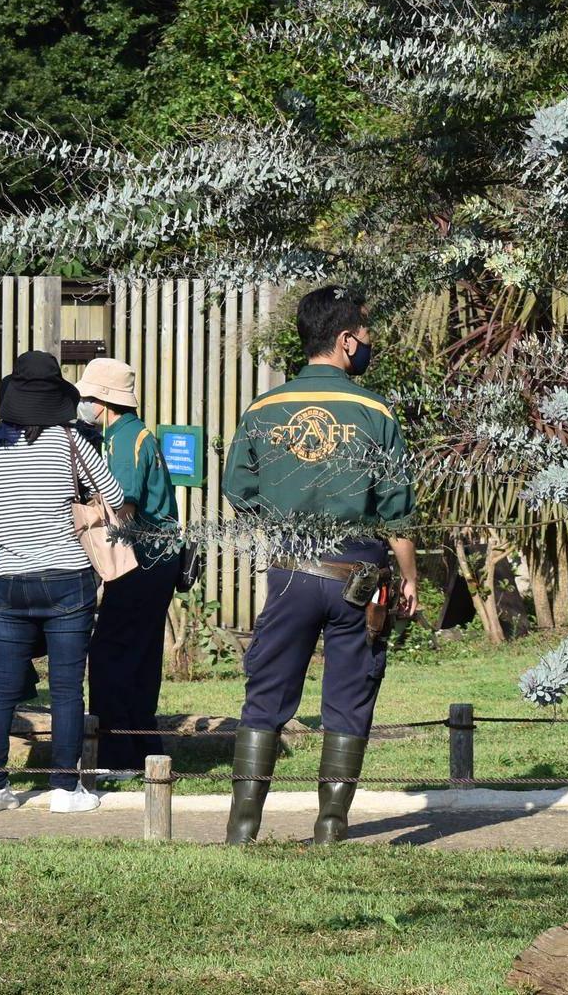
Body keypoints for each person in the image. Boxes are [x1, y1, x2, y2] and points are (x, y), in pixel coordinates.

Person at [221, 286, 419, 845]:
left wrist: (284, 524)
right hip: (357, 574)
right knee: (350, 695)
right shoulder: (374, 412)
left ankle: (242, 829)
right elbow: (396, 509)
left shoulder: (263, 409)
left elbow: (239, 489)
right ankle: (330, 827)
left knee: (266, 694)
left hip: (289, 571)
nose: (369, 344)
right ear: (344, 340)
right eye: (366, 335)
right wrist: (408, 576)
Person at [0, 351, 125, 815]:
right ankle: (64, 787)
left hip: (10, 577)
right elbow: (115, 495)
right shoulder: (70, 440)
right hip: (66, 575)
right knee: (64, 687)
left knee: (0, 687)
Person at [78, 358, 182, 776]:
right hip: (158, 560)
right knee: (139, 656)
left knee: (110, 656)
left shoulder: (124, 441)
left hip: (140, 561)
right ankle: (142, 747)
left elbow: (121, 502)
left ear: (103, 401)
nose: (82, 404)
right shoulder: (133, 434)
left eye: (86, 397)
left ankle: (119, 754)